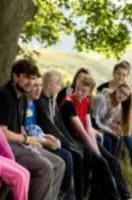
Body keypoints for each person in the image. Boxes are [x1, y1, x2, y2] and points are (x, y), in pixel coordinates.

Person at [0, 59, 65, 200]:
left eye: (33, 78)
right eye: (26, 77)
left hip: (19, 144)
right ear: (15, 76)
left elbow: (20, 127)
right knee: (45, 167)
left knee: (59, 163)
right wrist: (26, 139)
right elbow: (1, 133)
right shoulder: (4, 95)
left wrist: (37, 140)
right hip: (5, 146)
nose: (30, 82)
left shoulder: (22, 97)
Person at [60, 75, 132, 200]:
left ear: (89, 93)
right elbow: (81, 131)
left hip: (83, 138)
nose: (79, 93)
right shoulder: (68, 103)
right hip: (71, 138)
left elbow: (88, 128)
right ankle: (114, 197)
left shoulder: (86, 102)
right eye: (78, 88)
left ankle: (126, 196)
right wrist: (97, 153)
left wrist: (98, 151)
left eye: (84, 91)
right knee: (101, 162)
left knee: (112, 161)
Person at [35, 70, 86, 200]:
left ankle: (78, 194)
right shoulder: (40, 101)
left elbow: (60, 126)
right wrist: (67, 143)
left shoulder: (52, 101)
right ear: (50, 85)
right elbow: (49, 127)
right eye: (58, 85)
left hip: (55, 138)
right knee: (69, 154)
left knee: (79, 150)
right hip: (45, 139)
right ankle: (69, 194)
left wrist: (71, 142)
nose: (59, 88)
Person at [25, 75, 76, 200]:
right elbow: (25, 131)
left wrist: (50, 138)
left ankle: (66, 195)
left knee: (66, 157)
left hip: (38, 139)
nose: (38, 89)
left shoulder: (32, 104)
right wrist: (45, 142)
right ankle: (67, 195)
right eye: (35, 86)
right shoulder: (26, 103)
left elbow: (36, 128)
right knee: (63, 158)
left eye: (40, 85)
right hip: (29, 144)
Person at [96, 60, 132, 189]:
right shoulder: (103, 88)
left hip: (128, 123)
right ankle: (107, 177)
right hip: (108, 123)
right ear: (114, 73)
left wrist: (125, 126)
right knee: (109, 146)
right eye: (118, 73)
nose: (121, 77)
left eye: (124, 75)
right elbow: (99, 111)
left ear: (127, 76)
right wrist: (112, 126)